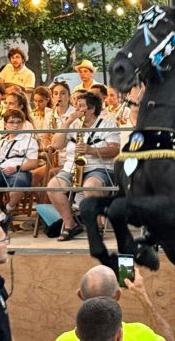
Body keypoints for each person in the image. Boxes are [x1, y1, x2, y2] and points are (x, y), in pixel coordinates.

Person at [47, 92, 119, 241]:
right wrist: (67, 123)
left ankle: (96, 226)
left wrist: (91, 150)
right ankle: (70, 224)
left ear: (91, 109)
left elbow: (114, 150)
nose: (76, 109)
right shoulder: (74, 124)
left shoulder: (107, 124)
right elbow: (56, 145)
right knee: (53, 186)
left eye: (80, 106)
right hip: (72, 167)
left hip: (99, 167)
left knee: (90, 186)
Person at [55, 264, 172, 341]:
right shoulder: (140, 333)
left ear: (77, 334)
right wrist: (142, 296)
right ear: (119, 336)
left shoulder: (63, 339)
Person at [0, 109, 39, 232]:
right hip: (1, 171)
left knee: (16, 188)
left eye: (18, 122)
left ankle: (7, 209)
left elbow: (33, 163)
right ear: (5, 124)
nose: (15, 125)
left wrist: (16, 168)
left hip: (20, 171)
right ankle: (1, 217)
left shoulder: (29, 140)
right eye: (11, 122)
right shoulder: (2, 139)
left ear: (23, 123)